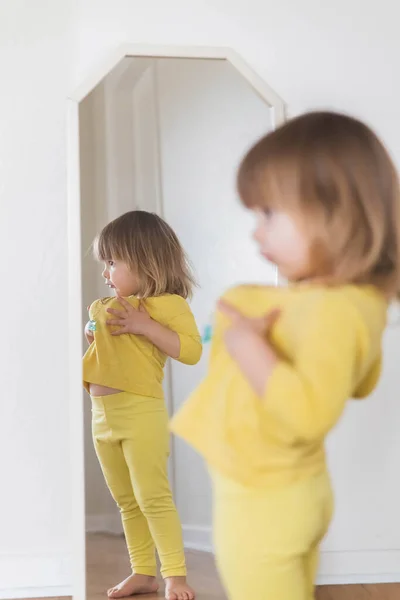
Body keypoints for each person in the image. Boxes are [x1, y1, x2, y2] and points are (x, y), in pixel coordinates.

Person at [171, 112, 400, 600]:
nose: (257, 233)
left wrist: (248, 347)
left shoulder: (334, 311)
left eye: (269, 214)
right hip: (293, 490)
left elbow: (310, 412)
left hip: (263, 500)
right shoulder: (357, 305)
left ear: (335, 213)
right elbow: (362, 380)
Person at [83, 210, 202, 600]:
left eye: (113, 262)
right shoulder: (107, 304)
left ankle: (175, 576)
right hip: (102, 417)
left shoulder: (165, 306)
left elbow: (190, 351)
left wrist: (144, 326)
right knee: (126, 501)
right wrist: (95, 333)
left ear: (146, 260)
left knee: (152, 496)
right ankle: (142, 572)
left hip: (140, 414)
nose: (106, 273)